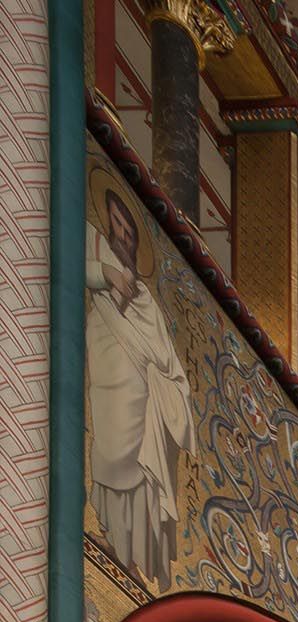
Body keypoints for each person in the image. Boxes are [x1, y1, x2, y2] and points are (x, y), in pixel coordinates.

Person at [86, 187, 191, 590]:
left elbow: (167, 357)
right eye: (118, 227)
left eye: (130, 230)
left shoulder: (147, 298)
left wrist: (170, 389)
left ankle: (131, 555)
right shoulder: (98, 260)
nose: (125, 236)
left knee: (141, 467)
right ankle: (111, 535)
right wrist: (107, 274)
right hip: (110, 383)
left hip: (142, 395)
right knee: (108, 453)